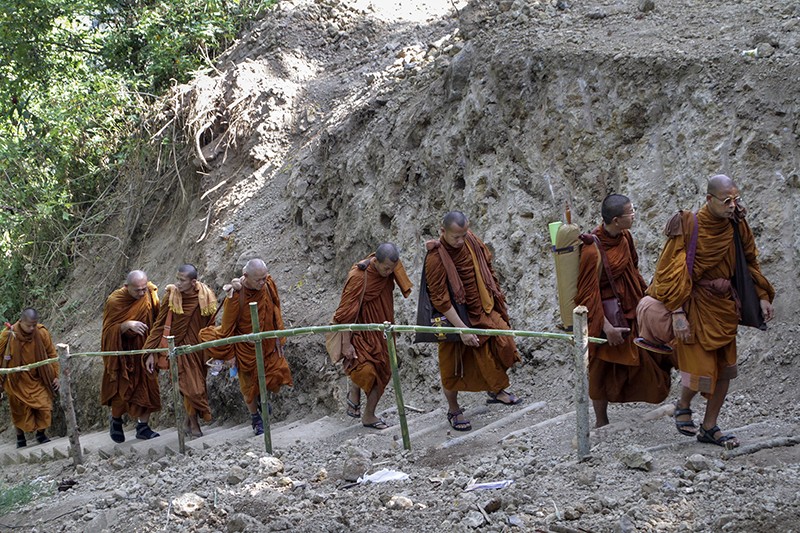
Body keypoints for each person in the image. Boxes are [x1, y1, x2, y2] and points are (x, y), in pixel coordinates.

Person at [648, 175, 775, 448]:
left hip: (724, 307)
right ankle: (683, 404)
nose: (732, 206)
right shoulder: (689, 224)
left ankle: (709, 427)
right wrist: (677, 312)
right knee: (702, 370)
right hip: (695, 304)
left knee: (725, 370)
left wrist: (762, 296)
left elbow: (749, 261)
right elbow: (668, 272)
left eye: (736, 200)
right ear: (709, 199)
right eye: (726, 201)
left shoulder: (736, 224)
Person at [574, 194, 675, 428]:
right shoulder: (592, 250)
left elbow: (633, 269)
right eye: (630, 213)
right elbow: (588, 294)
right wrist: (606, 327)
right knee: (600, 368)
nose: (634, 215)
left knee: (648, 355)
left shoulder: (626, 236)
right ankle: (601, 421)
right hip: (605, 316)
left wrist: (647, 298)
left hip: (630, 306)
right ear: (616, 220)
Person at [423, 211, 521, 432]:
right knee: (452, 366)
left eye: (463, 235)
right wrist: (462, 329)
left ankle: (495, 390)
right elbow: (440, 299)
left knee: (504, 344)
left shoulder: (471, 240)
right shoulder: (436, 258)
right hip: (455, 317)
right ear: (442, 231)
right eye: (455, 237)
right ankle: (454, 409)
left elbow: (486, 266)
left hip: (482, 308)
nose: (460, 241)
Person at [199, 258, 293, 435]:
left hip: (267, 343)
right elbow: (227, 328)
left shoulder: (268, 284)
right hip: (245, 348)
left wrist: (277, 337)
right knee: (249, 386)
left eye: (264, 277)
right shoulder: (236, 297)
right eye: (258, 279)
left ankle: (262, 400)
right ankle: (256, 418)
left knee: (275, 374)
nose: (262, 282)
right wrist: (229, 355)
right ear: (246, 276)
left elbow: (275, 309)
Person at [333, 243, 412, 429]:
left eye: (392, 269)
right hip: (361, 331)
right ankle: (354, 391)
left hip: (383, 331)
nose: (389, 272)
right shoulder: (359, 277)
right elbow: (345, 314)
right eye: (386, 269)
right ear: (375, 261)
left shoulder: (390, 268)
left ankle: (369, 415)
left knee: (383, 373)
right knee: (364, 370)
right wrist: (346, 344)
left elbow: (404, 283)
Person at [143, 265, 218, 437]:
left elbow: (211, 325)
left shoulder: (205, 296)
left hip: (198, 349)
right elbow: (159, 325)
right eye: (177, 279)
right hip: (178, 349)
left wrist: (213, 349)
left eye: (182, 280)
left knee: (197, 386)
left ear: (193, 282)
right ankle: (194, 425)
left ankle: (188, 421)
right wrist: (150, 352)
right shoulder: (172, 297)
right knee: (191, 388)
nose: (178, 283)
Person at [100, 270, 161, 442]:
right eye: (137, 290)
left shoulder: (150, 293)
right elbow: (107, 333)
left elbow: (157, 324)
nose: (142, 293)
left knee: (147, 387)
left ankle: (143, 427)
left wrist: (152, 352)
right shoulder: (115, 301)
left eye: (143, 289)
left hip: (144, 349)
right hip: (122, 354)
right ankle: (116, 421)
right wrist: (126, 325)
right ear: (126, 287)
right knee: (121, 390)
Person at [0, 308, 60, 448]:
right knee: (19, 410)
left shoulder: (41, 333)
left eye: (34, 325)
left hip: (38, 377)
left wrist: (56, 376)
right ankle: (20, 437)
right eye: (29, 325)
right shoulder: (8, 335)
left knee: (45, 405)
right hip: (16, 380)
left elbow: (51, 354)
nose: (32, 328)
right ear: (21, 321)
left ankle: (41, 434)